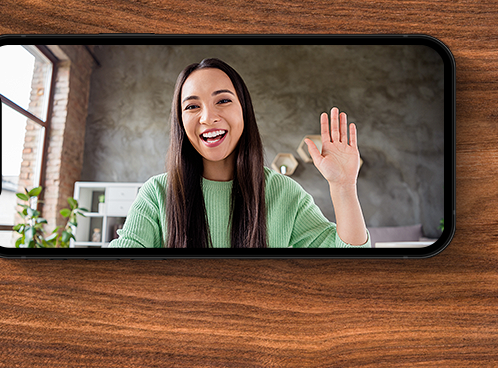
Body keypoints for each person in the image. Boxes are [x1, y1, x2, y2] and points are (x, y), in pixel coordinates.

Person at [107, 58, 371, 248]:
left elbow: (349, 263)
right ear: (180, 121)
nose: (208, 118)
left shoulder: (285, 194)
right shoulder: (156, 194)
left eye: (222, 101)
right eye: (192, 107)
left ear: (244, 112)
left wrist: (344, 186)